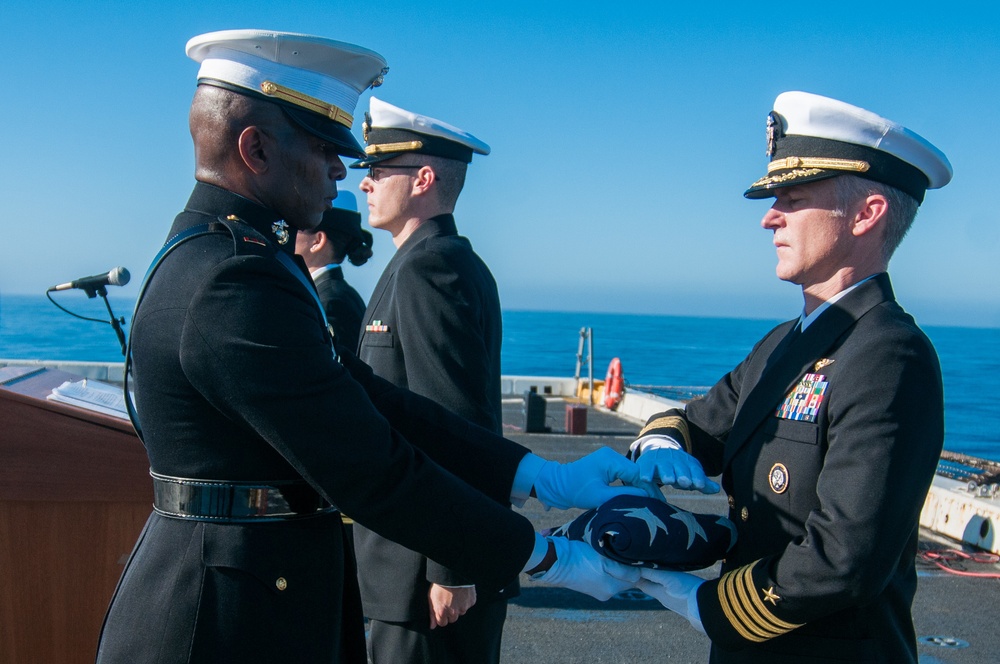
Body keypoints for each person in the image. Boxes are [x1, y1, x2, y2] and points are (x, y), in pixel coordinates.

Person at [95, 29, 652, 664]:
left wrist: (542, 476)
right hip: (221, 622)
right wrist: (549, 556)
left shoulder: (233, 259)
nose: (341, 168)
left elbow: (370, 399)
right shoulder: (232, 279)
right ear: (254, 149)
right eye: (324, 145)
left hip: (256, 594)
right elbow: (368, 465)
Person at [630, 91, 952, 663]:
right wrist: (661, 442)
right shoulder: (782, 344)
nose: (768, 216)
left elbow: (842, 559)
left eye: (793, 198)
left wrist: (709, 606)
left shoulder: (889, 356)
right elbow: (699, 423)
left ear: (867, 213)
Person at [348, 97, 510, 664]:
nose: (364, 183)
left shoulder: (428, 267)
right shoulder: (425, 261)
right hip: (413, 566)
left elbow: (455, 422)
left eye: (377, 170)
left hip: (427, 576)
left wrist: (453, 567)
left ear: (423, 178)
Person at [295, 191, 373, 350]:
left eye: (297, 228)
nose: (287, 234)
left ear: (317, 241)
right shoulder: (333, 294)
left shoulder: (331, 302)